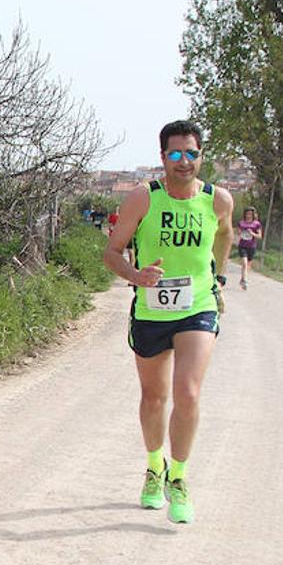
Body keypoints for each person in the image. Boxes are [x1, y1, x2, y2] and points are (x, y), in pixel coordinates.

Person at [103, 120, 233, 524]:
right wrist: (136, 276)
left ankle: (179, 477)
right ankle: (153, 467)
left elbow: (224, 237)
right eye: (175, 154)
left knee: (188, 393)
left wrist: (219, 278)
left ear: (201, 156)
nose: (183, 161)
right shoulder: (144, 198)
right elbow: (112, 252)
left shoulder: (218, 200)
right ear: (162, 158)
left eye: (191, 153)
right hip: (152, 309)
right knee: (154, 398)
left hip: (197, 306)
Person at [237, 207, 263, 289]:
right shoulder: (241, 223)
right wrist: (240, 232)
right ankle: (245, 281)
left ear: (253, 215)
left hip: (251, 246)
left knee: (248, 265)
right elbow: (238, 233)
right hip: (242, 246)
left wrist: (252, 233)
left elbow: (259, 236)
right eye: (247, 214)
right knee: (244, 263)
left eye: (250, 214)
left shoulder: (257, 224)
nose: (249, 215)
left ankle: (243, 278)